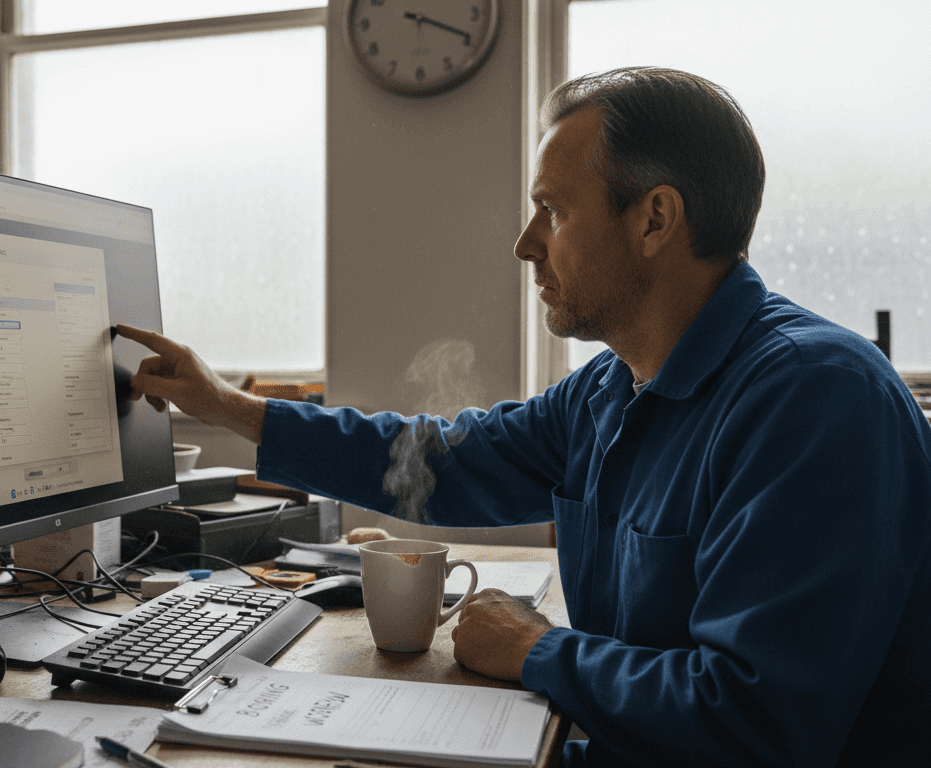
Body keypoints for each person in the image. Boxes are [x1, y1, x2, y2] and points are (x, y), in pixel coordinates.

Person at [114, 67, 931, 767]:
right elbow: (436, 462)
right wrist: (232, 408)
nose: (524, 245)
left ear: (654, 219)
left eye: (553, 210)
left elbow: (760, 723)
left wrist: (539, 649)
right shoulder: (611, 388)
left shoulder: (816, 399)